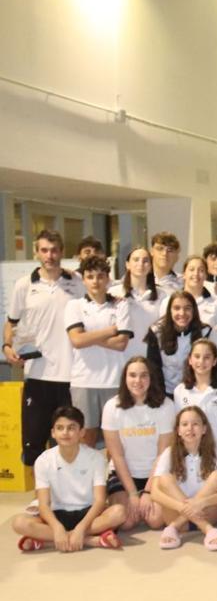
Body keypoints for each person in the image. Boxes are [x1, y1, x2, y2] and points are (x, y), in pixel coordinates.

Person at [4, 230, 85, 466]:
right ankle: (40, 498)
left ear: (61, 251)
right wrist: (7, 346)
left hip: (72, 377)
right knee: (34, 443)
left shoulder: (77, 283)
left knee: (69, 442)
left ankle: (68, 497)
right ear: (37, 252)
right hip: (38, 376)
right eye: (44, 250)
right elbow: (11, 322)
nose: (49, 255)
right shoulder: (24, 285)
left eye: (54, 250)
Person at [13, 405, 124, 553]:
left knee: (119, 512)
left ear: (81, 432)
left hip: (87, 513)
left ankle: (50, 541)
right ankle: (90, 540)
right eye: (60, 428)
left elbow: (99, 501)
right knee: (19, 523)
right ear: (53, 433)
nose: (65, 433)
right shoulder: (43, 460)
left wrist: (81, 528)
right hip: (56, 513)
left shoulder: (95, 458)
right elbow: (44, 504)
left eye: (71, 428)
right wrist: (57, 527)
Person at [64, 256, 131, 446]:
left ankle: (112, 477)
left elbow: (121, 344)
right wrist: (109, 331)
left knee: (115, 440)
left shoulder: (121, 304)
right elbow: (76, 340)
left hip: (114, 381)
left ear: (108, 279)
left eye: (100, 276)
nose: (95, 281)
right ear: (83, 279)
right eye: (90, 276)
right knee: (86, 438)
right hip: (84, 381)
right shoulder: (74, 305)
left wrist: (89, 336)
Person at [102, 357, 175, 531]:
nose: (138, 381)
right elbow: (117, 456)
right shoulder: (112, 407)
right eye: (132, 375)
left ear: (151, 378)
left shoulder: (166, 406)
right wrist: (133, 494)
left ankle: (146, 500)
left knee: (156, 520)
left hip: (155, 474)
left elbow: (162, 455)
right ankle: (114, 503)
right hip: (123, 473)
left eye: (144, 376)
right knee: (126, 522)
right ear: (125, 378)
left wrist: (148, 492)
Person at [151, 406, 217, 551]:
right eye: (184, 424)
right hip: (176, 513)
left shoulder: (215, 453)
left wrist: (200, 503)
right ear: (178, 430)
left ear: (204, 429)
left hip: (206, 512)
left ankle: (172, 528)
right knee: (164, 478)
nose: (190, 428)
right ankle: (207, 529)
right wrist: (185, 508)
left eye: (195, 424)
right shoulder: (169, 453)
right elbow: (155, 492)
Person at [146, 291, 210, 396]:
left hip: (195, 393)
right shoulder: (156, 332)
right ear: (169, 311)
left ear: (194, 310)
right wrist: (162, 398)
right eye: (177, 308)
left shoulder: (205, 332)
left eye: (187, 308)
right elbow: (154, 368)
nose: (182, 313)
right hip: (165, 392)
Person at [110, 247, 162, 361]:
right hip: (120, 359)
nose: (141, 264)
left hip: (150, 358)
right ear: (127, 264)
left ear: (150, 266)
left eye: (145, 260)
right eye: (136, 260)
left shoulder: (162, 295)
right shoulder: (113, 293)